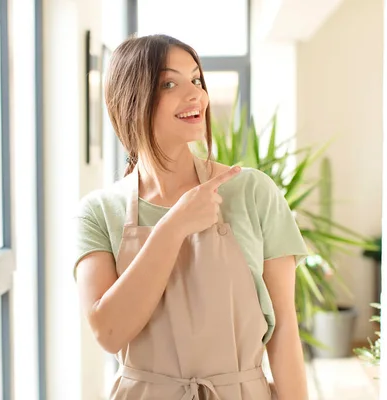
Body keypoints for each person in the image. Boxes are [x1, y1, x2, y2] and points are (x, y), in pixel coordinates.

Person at [74, 34, 309, 400]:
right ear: (131, 100)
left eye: (197, 80)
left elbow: (284, 332)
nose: (196, 94)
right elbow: (108, 332)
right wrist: (174, 225)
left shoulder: (252, 192)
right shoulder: (99, 211)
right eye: (170, 83)